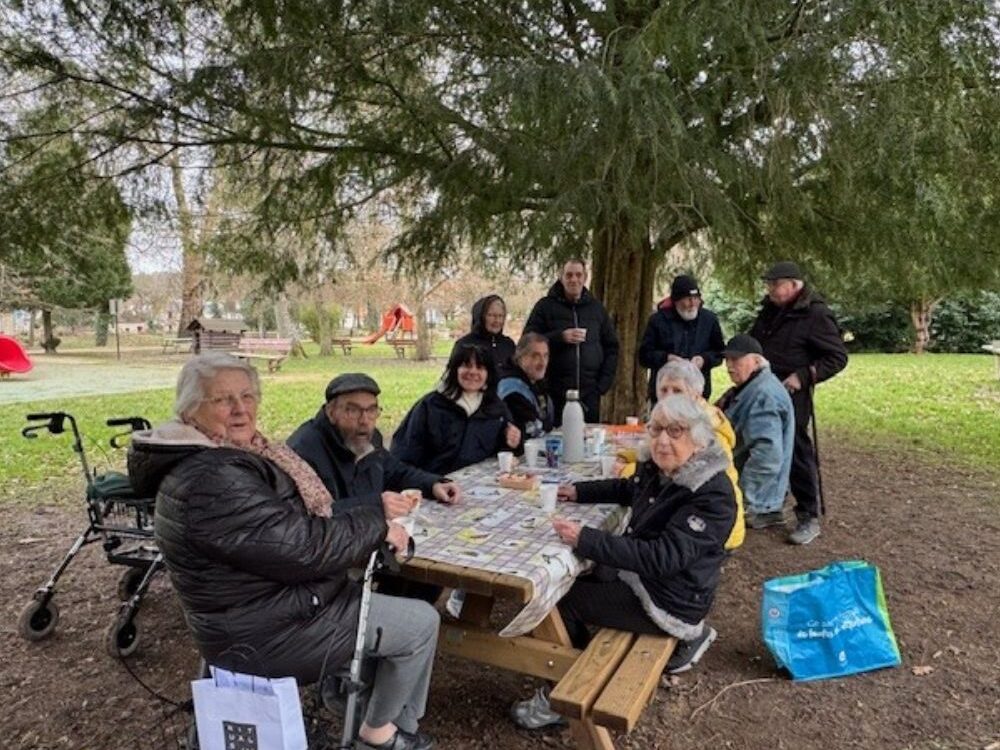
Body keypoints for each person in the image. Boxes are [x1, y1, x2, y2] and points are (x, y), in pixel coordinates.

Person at [128, 353, 438, 750]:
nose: (241, 409)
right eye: (223, 400)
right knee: (420, 623)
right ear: (190, 410)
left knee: (385, 603)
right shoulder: (214, 477)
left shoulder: (222, 457)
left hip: (266, 607)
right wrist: (376, 523)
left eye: (247, 396)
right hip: (269, 630)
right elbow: (304, 547)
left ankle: (364, 708)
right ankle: (381, 733)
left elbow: (285, 538)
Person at [511, 395, 736, 729]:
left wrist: (585, 538)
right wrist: (577, 491)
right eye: (657, 429)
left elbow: (662, 558)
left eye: (676, 431)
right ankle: (574, 666)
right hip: (649, 581)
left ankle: (562, 694)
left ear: (699, 439)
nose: (662, 440)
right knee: (571, 577)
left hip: (668, 602)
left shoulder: (712, 495)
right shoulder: (665, 469)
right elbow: (628, 488)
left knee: (557, 599)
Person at [749, 261, 848, 545]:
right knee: (766, 447)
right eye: (768, 285)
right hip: (763, 387)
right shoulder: (770, 309)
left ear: (794, 285)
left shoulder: (815, 314)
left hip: (792, 392)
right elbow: (756, 340)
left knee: (796, 450)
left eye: (775, 284)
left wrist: (802, 377)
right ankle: (770, 508)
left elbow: (837, 357)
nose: (770, 290)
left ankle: (808, 515)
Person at [287, 373, 462, 514]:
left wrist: (433, 484)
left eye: (372, 410)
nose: (364, 420)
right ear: (331, 412)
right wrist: (375, 506)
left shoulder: (368, 437)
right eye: (352, 410)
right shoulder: (303, 450)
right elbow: (309, 515)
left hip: (372, 535)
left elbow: (395, 471)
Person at [390, 344, 521, 475]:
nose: (473, 372)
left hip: (481, 484)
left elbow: (506, 454)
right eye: (466, 365)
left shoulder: (496, 407)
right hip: (435, 484)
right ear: (455, 369)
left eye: (480, 367)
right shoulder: (431, 406)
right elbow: (403, 455)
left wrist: (512, 442)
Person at [655, 360, 745, 550]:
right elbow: (652, 450)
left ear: (696, 395)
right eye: (664, 390)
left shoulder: (704, 428)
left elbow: (672, 469)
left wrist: (626, 469)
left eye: (677, 390)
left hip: (717, 532)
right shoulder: (678, 417)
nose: (669, 396)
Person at [716, 335, 795, 537]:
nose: (729, 366)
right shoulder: (753, 386)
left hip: (754, 490)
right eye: (727, 360)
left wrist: (738, 499)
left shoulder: (763, 395)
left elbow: (766, 457)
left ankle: (764, 512)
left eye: (736, 360)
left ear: (757, 361)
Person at [523, 258, 619, 424]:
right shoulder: (545, 306)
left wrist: (602, 386)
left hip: (589, 395)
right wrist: (560, 337)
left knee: (587, 442)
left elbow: (612, 347)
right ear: (561, 278)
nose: (573, 279)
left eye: (578, 275)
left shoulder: (596, 309)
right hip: (555, 393)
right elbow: (527, 340)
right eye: (569, 275)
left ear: (585, 277)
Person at [639, 274, 725, 402]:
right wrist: (666, 358)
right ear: (676, 301)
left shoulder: (709, 320)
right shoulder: (658, 320)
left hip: (697, 395)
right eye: (688, 299)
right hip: (665, 394)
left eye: (696, 298)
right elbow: (644, 356)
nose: (692, 303)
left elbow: (719, 353)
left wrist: (703, 359)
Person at [497, 332, 554, 440]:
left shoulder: (536, 382)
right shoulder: (511, 390)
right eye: (535, 356)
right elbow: (533, 430)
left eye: (545, 356)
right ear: (520, 357)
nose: (542, 363)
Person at [450, 294, 516, 371]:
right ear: (480, 317)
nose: (497, 321)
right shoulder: (465, 345)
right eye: (491, 315)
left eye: (500, 316)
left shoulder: (508, 344)